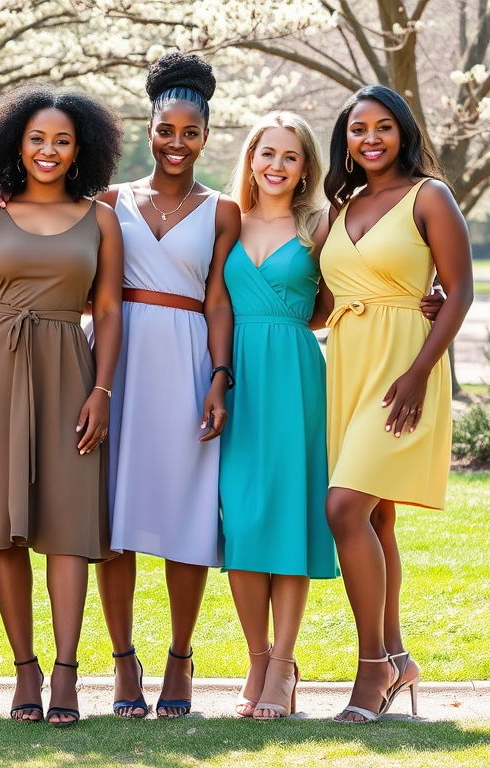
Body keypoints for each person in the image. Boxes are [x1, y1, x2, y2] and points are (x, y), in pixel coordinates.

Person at [0, 54, 237, 720]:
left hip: (178, 360)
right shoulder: (109, 202)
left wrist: (218, 375)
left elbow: (217, 302)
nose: (176, 142)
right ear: (146, 130)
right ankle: (122, 661)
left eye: (190, 132)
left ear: (206, 136)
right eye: (165, 130)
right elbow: (63, 280)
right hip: (110, 364)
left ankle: (181, 658)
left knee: (186, 516)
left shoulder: (223, 211)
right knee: (112, 520)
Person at [0, 85, 124, 727]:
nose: (49, 151)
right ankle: (24, 669)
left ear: (81, 148)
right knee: (4, 526)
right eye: (36, 139)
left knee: (67, 525)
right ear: (15, 145)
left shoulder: (100, 218)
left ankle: (65, 672)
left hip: (70, 371)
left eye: (61, 140)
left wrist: (102, 390)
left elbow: (107, 310)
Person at [319, 85, 473, 722]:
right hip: (348, 364)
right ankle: (399, 657)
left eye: (384, 127)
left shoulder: (429, 196)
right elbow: (322, 304)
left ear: (403, 133)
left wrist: (417, 376)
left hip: (403, 371)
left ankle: (372, 669)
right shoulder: (340, 204)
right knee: (376, 520)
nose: (371, 139)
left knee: (344, 508)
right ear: (346, 141)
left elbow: (459, 293)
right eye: (358, 129)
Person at [220, 112, 338, 720]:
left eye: (290, 157)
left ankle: (285, 664)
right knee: (241, 518)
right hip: (234, 375)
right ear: (250, 158)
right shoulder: (226, 220)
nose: (276, 166)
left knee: (290, 517)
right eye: (267, 153)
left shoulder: (319, 225)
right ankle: (257, 655)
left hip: (294, 373)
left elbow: (336, 303)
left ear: (305, 167)